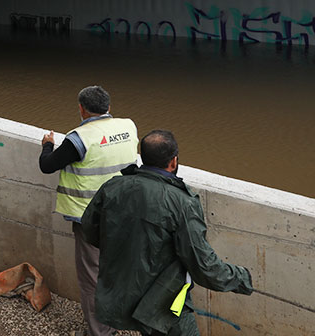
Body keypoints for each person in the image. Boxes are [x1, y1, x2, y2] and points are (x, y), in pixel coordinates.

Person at [82, 130, 253, 336]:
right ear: (173, 162)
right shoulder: (182, 203)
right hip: (165, 299)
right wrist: (243, 278)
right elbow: (203, 265)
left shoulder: (113, 187)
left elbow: (90, 230)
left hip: (124, 291)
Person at [39, 85, 138, 336]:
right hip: (123, 213)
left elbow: (47, 166)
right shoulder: (128, 126)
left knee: (92, 279)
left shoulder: (78, 139)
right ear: (108, 108)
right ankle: (117, 322)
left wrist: (47, 145)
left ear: (82, 109)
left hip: (90, 219)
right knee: (114, 271)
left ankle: (100, 333)